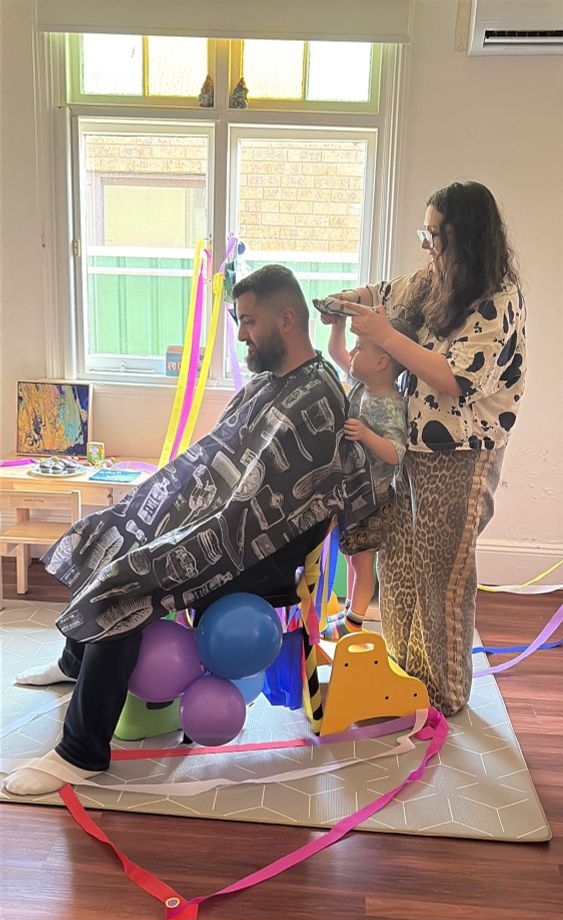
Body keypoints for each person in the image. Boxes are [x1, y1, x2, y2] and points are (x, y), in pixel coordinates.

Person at [4, 264, 378, 797]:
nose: (242, 334)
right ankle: (75, 660)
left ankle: (82, 751)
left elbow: (273, 504)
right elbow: (213, 461)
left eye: (249, 322)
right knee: (107, 530)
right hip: (224, 520)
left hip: (258, 548)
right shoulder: (272, 383)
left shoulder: (316, 396)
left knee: (129, 577)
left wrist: (179, 533)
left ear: (287, 320)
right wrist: (156, 507)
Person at [320, 180, 526, 715]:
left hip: (463, 455)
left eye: (438, 236)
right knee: (401, 562)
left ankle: (446, 693)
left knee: (441, 574)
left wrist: (385, 336)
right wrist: (342, 305)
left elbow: (455, 378)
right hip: (414, 448)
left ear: (471, 240)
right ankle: (407, 674)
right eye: (426, 233)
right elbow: (384, 295)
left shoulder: (498, 299)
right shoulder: (434, 278)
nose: (429, 245)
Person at [318, 310, 417, 640]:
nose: (353, 353)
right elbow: (336, 353)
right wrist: (337, 326)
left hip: (371, 499)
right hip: (352, 492)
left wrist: (365, 434)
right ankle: (350, 612)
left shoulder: (389, 403)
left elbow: (396, 451)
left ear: (382, 363)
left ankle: (354, 622)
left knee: (362, 563)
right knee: (352, 556)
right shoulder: (361, 383)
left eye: (360, 348)